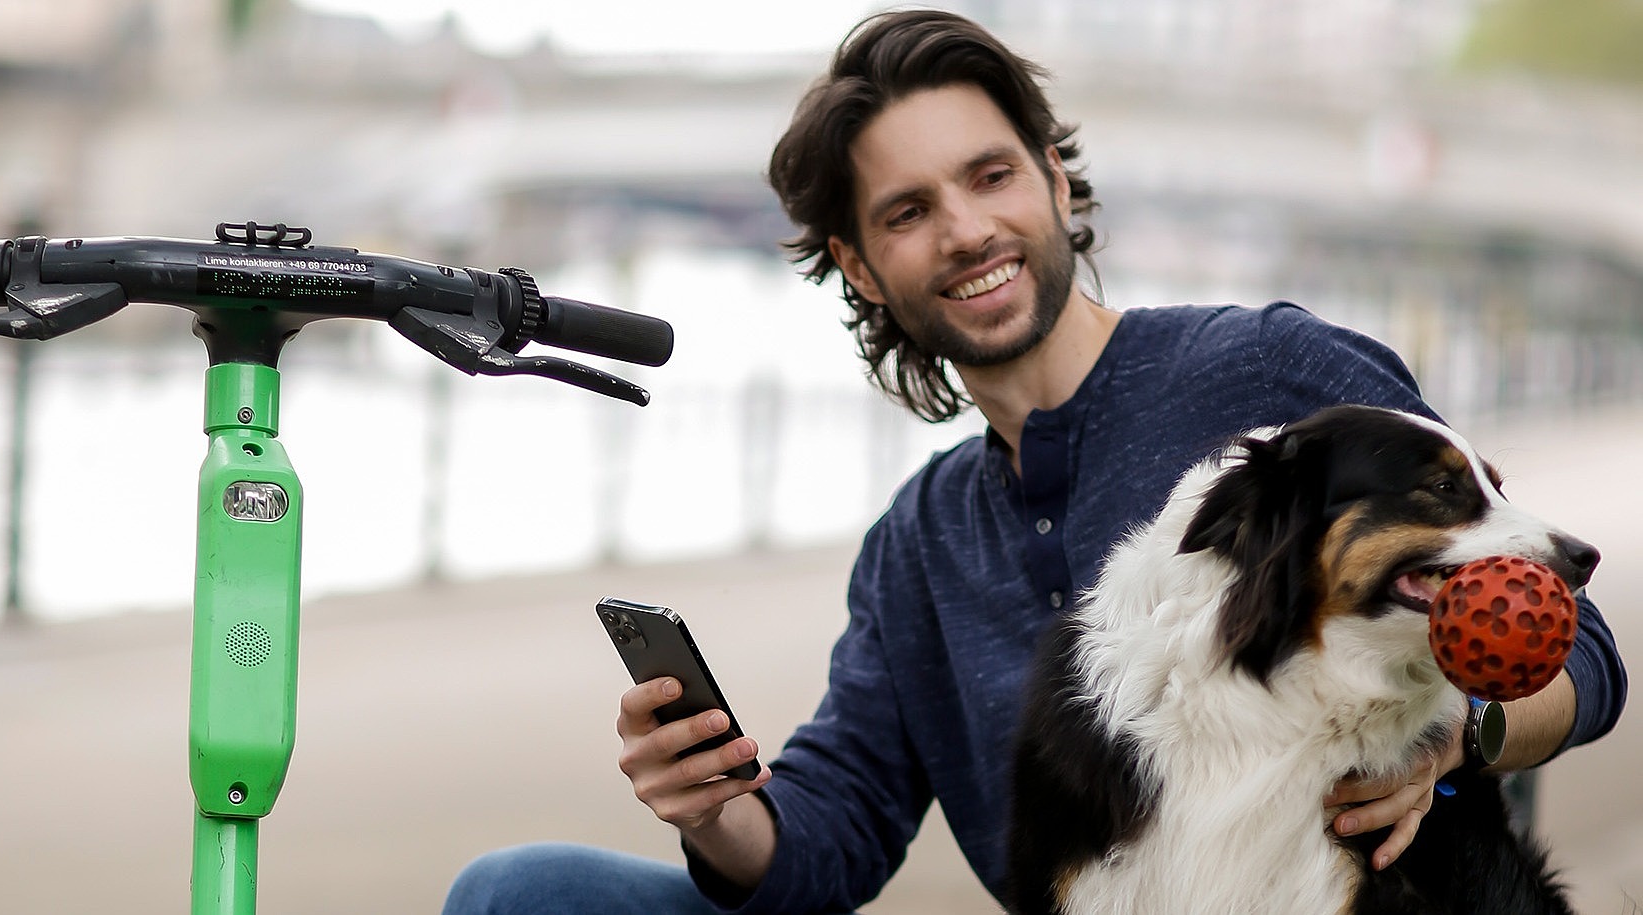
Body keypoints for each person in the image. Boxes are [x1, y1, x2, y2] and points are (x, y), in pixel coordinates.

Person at [443, 9, 1627, 913]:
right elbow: (830, 839)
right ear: (860, 266)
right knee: (518, 891)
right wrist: (713, 809)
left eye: (992, 176)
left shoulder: (1273, 381)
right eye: (908, 212)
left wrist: (1449, 737)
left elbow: (1580, 652)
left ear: (1056, 182)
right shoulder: (919, 546)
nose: (966, 230)